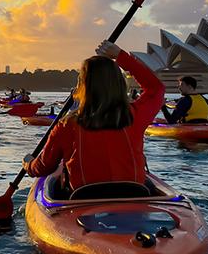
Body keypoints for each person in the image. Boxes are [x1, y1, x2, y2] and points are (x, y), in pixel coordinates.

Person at [24, 41, 165, 195]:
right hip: (133, 193)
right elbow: (156, 89)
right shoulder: (135, 115)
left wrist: (28, 164)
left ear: (82, 85)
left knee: (56, 185)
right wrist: (120, 56)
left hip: (84, 199)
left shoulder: (67, 124)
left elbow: (44, 167)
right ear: (119, 83)